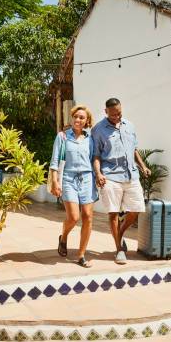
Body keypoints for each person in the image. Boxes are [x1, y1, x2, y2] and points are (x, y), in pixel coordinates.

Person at [92, 98, 151, 264]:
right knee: (113, 213)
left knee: (136, 209)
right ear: (106, 112)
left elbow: (134, 150)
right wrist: (98, 174)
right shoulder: (98, 129)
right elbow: (96, 155)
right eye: (113, 114)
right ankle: (119, 250)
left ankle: (120, 235)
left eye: (119, 113)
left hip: (131, 175)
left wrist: (143, 166)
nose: (117, 116)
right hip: (110, 176)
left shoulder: (129, 125)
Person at [49, 105, 97, 268]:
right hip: (68, 178)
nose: (78, 120)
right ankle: (63, 237)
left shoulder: (91, 139)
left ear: (87, 121)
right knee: (74, 217)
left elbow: (93, 159)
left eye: (82, 117)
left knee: (88, 216)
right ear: (72, 118)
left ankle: (81, 255)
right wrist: (55, 181)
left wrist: (99, 176)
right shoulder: (62, 137)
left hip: (87, 178)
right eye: (76, 116)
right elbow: (54, 161)